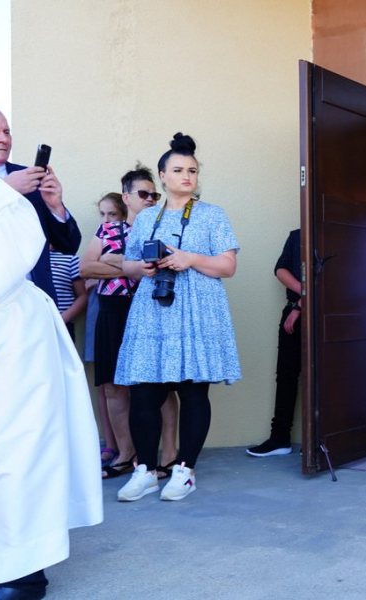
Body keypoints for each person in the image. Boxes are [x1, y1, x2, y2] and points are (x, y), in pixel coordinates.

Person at [0, 175, 102, 600]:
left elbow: (64, 243)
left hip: (14, 325)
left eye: (3, 137)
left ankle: (21, 569)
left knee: (19, 445)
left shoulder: (17, 185)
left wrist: (50, 205)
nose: (0, 142)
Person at [114, 133, 241, 502]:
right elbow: (127, 265)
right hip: (153, 310)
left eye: (192, 171)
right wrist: (143, 267)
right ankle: (145, 471)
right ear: (162, 176)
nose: (187, 176)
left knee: (193, 389)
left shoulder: (212, 214)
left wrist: (190, 259)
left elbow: (228, 266)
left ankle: (185, 471)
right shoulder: (146, 217)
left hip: (197, 310)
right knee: (143, 391)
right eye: (179, 170)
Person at [81, 170, 179, 481]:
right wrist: (131, 267)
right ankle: (126, 454)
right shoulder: (109, 229)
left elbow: (163, 269)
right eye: (143, 194)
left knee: (161, 385)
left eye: (154, 195)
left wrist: (112, 261)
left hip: (151, 311)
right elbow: (86, 267)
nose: (150, 199)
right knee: (113, 385)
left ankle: (169, 455)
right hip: (112, 310)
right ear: (126, 197)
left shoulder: (165, 230)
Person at [0, 105, 81, 304]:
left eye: (7, 132)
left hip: (31, 303)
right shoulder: (15, 182)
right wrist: (5, 190)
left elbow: (69, 245)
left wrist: (56, 207)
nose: (3, 139)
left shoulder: (29, 177)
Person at [246, 229, 303, 458]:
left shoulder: (333, 233)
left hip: (323, 313)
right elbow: (280, 269)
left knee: (323, 377)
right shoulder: (297, 236)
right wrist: (304, 295)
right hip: (294, 312)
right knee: (286, 376)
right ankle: (280, 438)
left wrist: (302, 304)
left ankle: (321, 440)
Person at [85, 193, 126, 468]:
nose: (106, 219)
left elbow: (140, 269)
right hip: (100, 309)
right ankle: (111, 445)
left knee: (123, 385)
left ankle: (128, 447)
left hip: (122, 308)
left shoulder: (132, 232)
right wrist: (121, 266)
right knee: (104, 381)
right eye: (102, 214)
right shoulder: (102, 234)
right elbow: (87, 269)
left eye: (112, 214)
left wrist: (110, 262)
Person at [49, 244, 87, 341]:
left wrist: (61, 320)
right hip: (33, 324)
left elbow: (83, 296)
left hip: (63, 324)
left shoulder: (70, 260)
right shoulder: (28, 262)